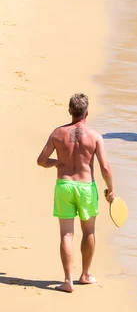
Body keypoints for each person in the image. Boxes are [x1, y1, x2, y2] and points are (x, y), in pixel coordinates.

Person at [36, 93, 115, 293]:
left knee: (66, 234)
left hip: (64, 185)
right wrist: (111, 190)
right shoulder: (95, 136)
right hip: (86, 187)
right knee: (88, 231)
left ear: (70, 111)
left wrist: (58, 163)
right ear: (87, 112)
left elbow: (41, 161)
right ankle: (86, 274)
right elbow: (105, 167)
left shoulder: (57, 134)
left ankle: (68, 281)